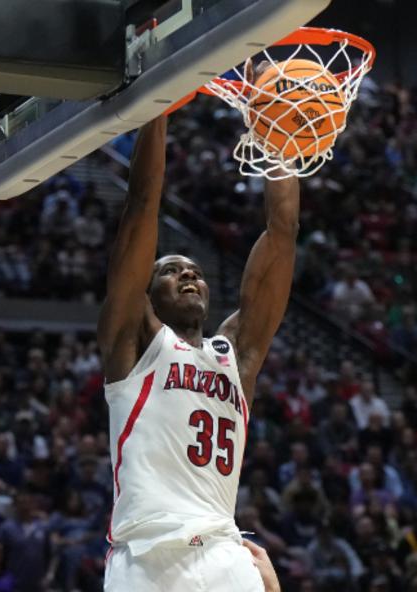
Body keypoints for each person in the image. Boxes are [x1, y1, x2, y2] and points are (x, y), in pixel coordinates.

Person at [97, 115, 300, 591]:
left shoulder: (237, 355)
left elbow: (284, 229)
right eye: (170, 271)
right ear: (145, 294)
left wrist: (281, 132)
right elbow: (143, 205)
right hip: (149, 558)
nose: (189, 275)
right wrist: (160, 105)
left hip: (226, 554)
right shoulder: (134, 342)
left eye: (195, 271)